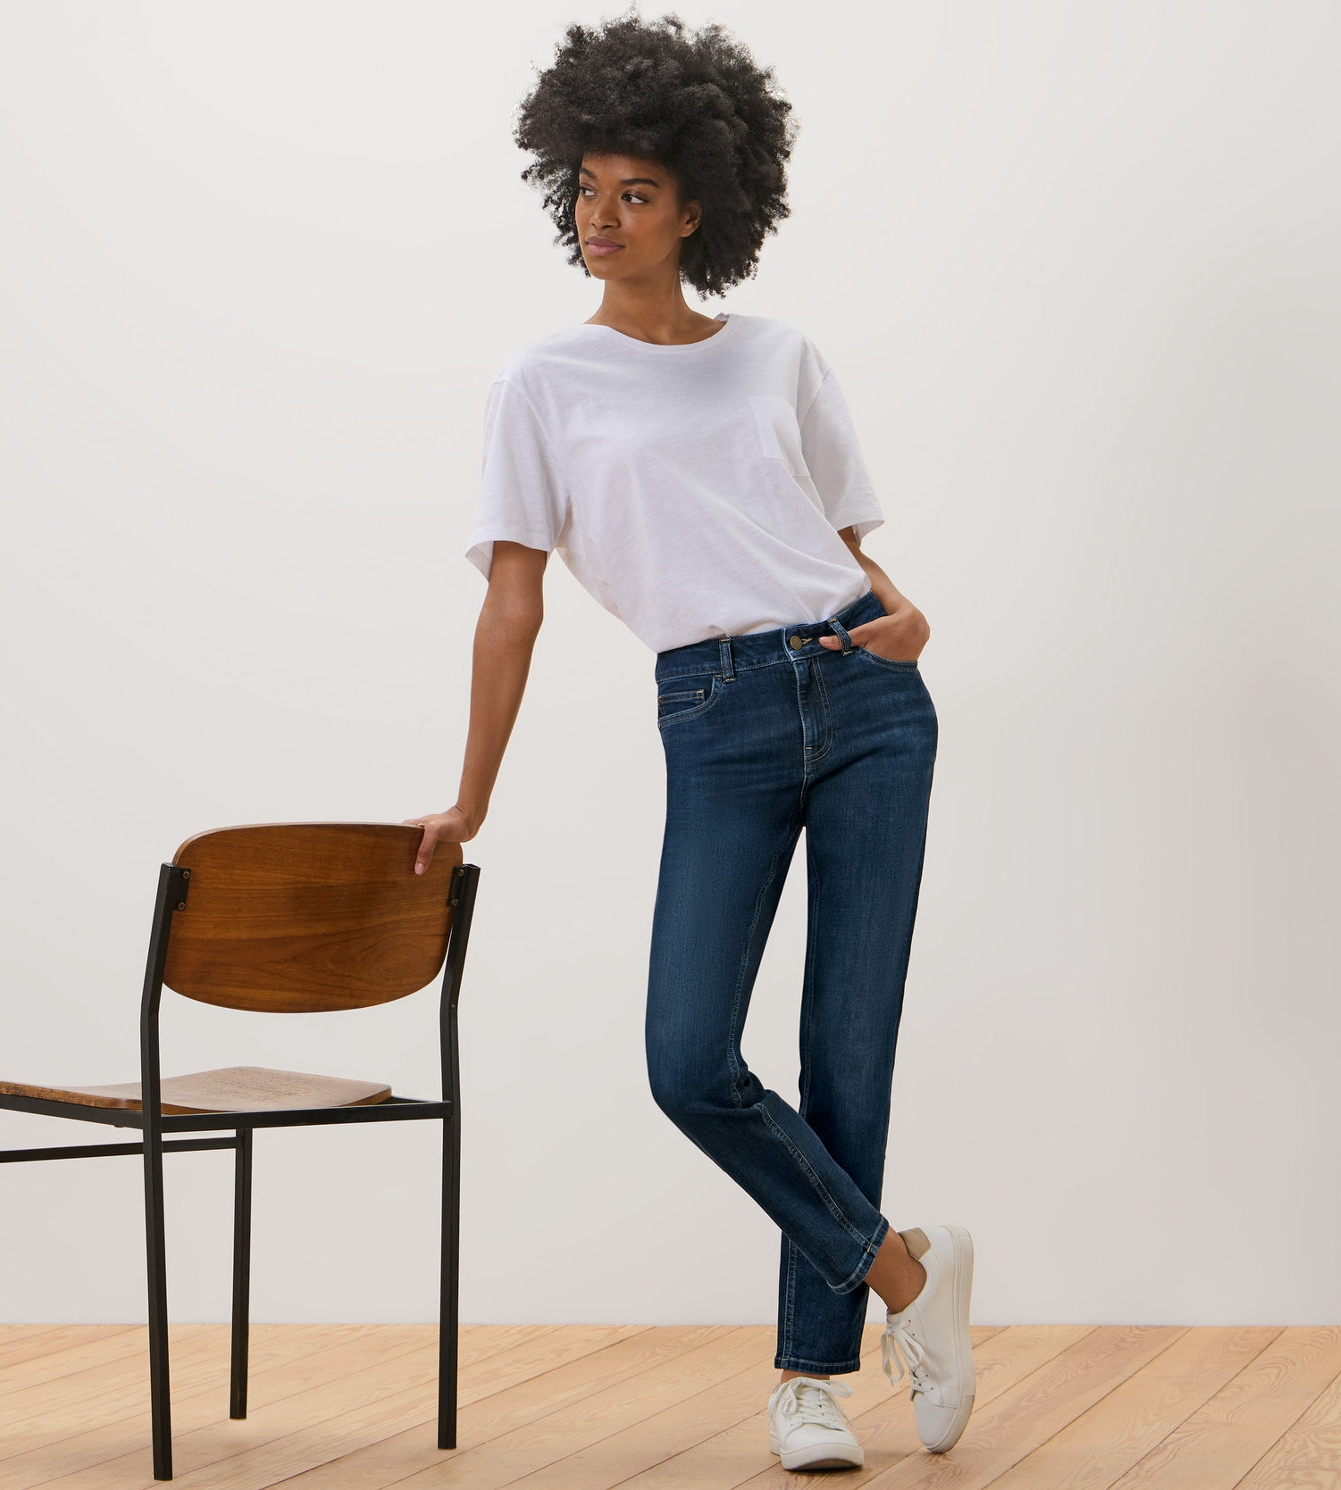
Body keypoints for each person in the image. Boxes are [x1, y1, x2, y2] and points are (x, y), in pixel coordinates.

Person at [404, 11, 974, 1471]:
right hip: (715, 715)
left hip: (866, 697)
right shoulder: (542, 383)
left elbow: (833, 541)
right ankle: (906, 1275)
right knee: (687, 1059)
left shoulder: (779, 355)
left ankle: (807, 1379)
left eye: (634, 192)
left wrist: (907, 614)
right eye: (584, 189)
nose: (598, 218)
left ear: (699, 204)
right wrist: (470, 797)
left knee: (846, 1051)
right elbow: (513, 603)